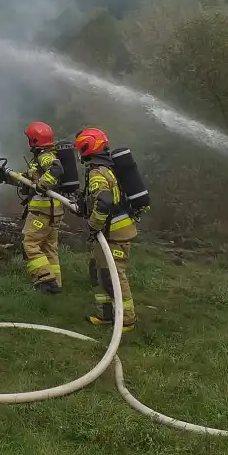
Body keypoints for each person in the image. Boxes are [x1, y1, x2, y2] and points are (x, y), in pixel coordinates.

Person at [74, 126, 138, 332]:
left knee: (114, 275)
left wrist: (93, 225)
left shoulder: (97, 173)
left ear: (87, 147)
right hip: (110, 231)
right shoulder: (107, 167)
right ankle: (106, 315)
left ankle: (126, 320)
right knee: (98, 271)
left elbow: (103, 202)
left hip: (115, 233)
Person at [0, 121, 65, 294]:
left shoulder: (45, 156)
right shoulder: (40, 158)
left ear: (34, 140)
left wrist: (43, 185)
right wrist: (6, 177)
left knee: (30, 244)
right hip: (54, 210)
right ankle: (55, 283)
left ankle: (46, 281)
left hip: (42, 211)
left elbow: (57, 169)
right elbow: (27, 180)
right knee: (49, 247)